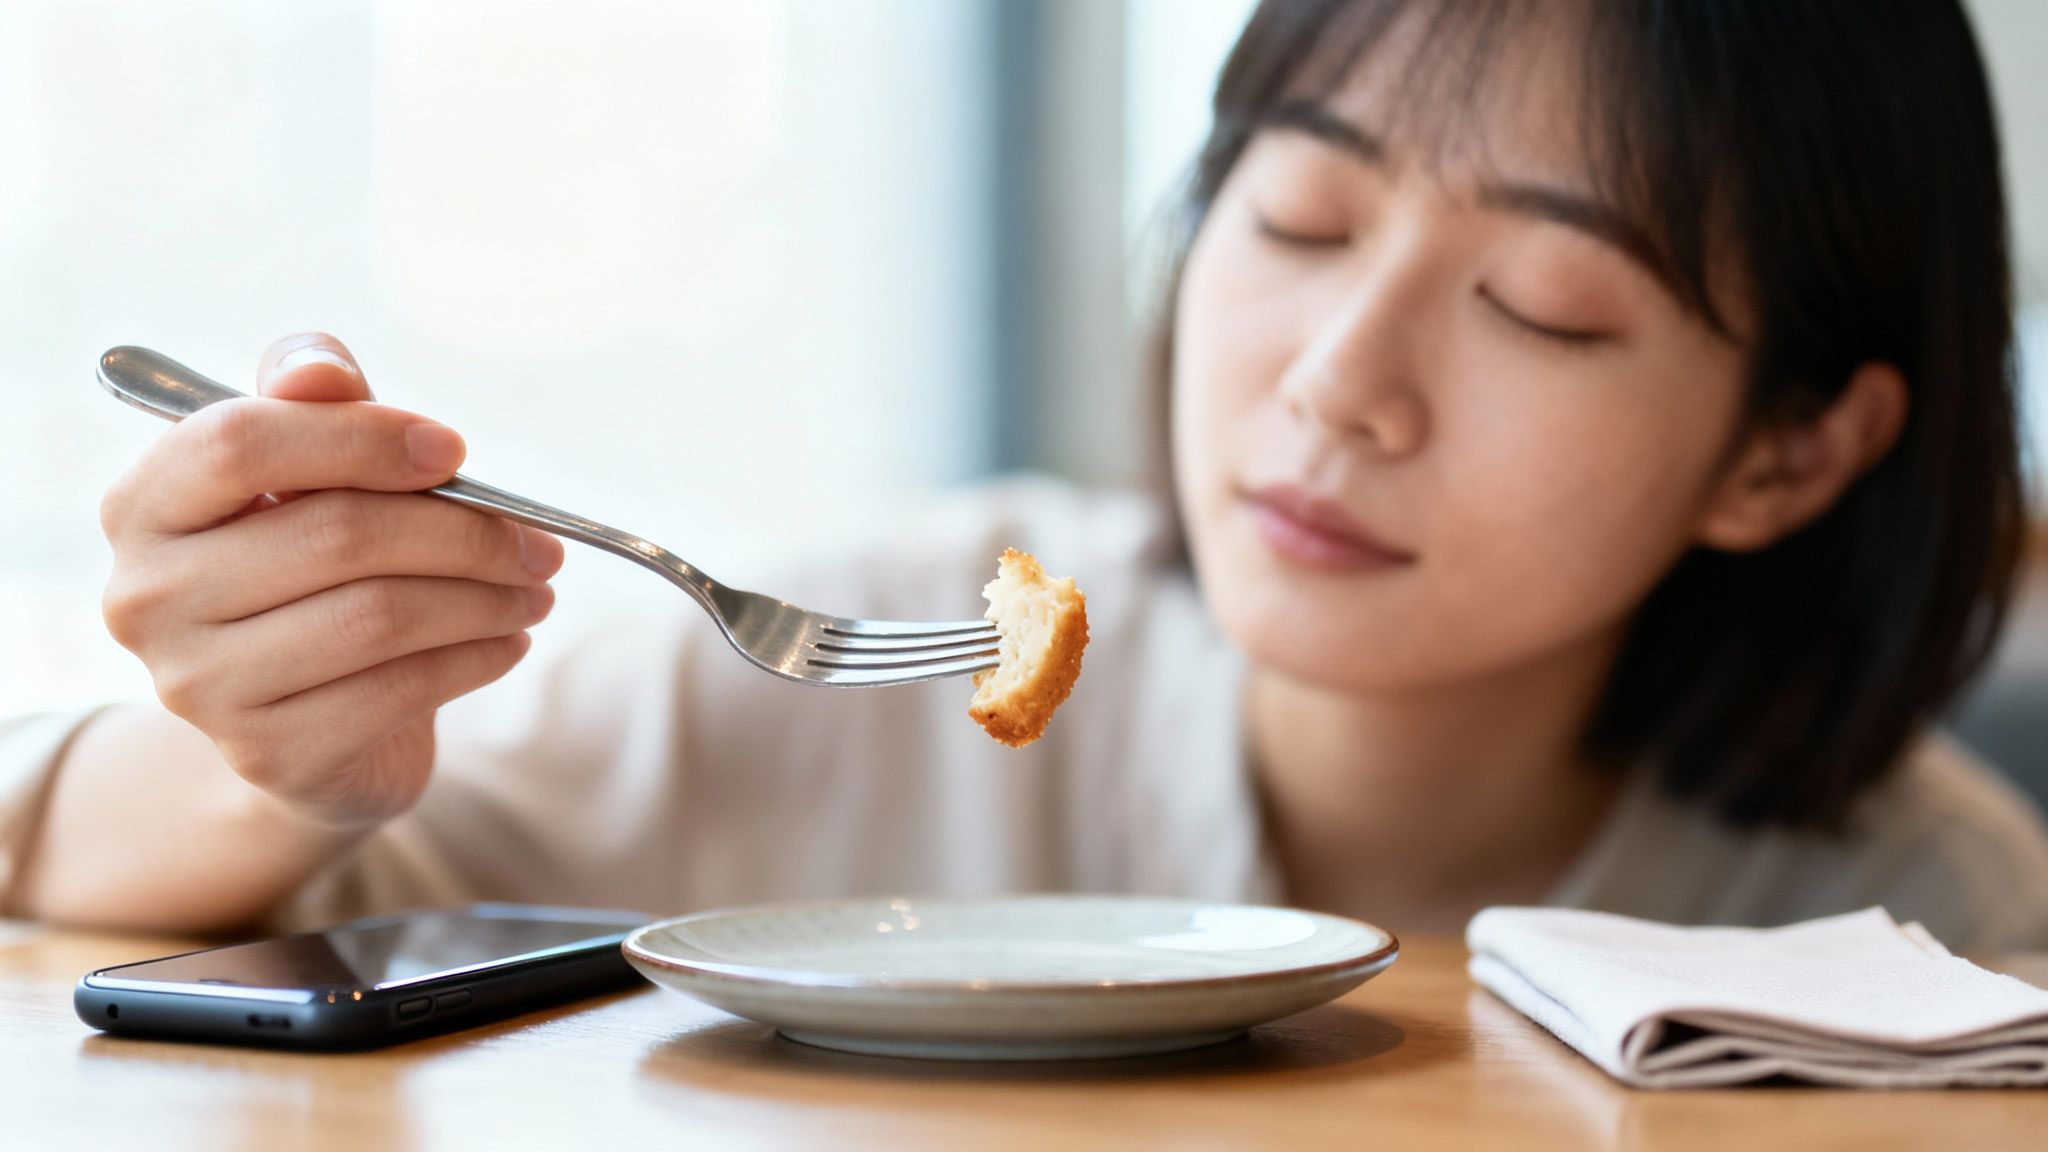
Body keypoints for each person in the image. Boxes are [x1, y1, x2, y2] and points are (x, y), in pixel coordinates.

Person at [5, 0, 2047, 947]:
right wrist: (263, 750)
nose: (1337, 386)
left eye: (1540, 306)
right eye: (1304, 225)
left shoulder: (1922, 933)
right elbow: (66, 874)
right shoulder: (835, 667)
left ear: (1789, 453)